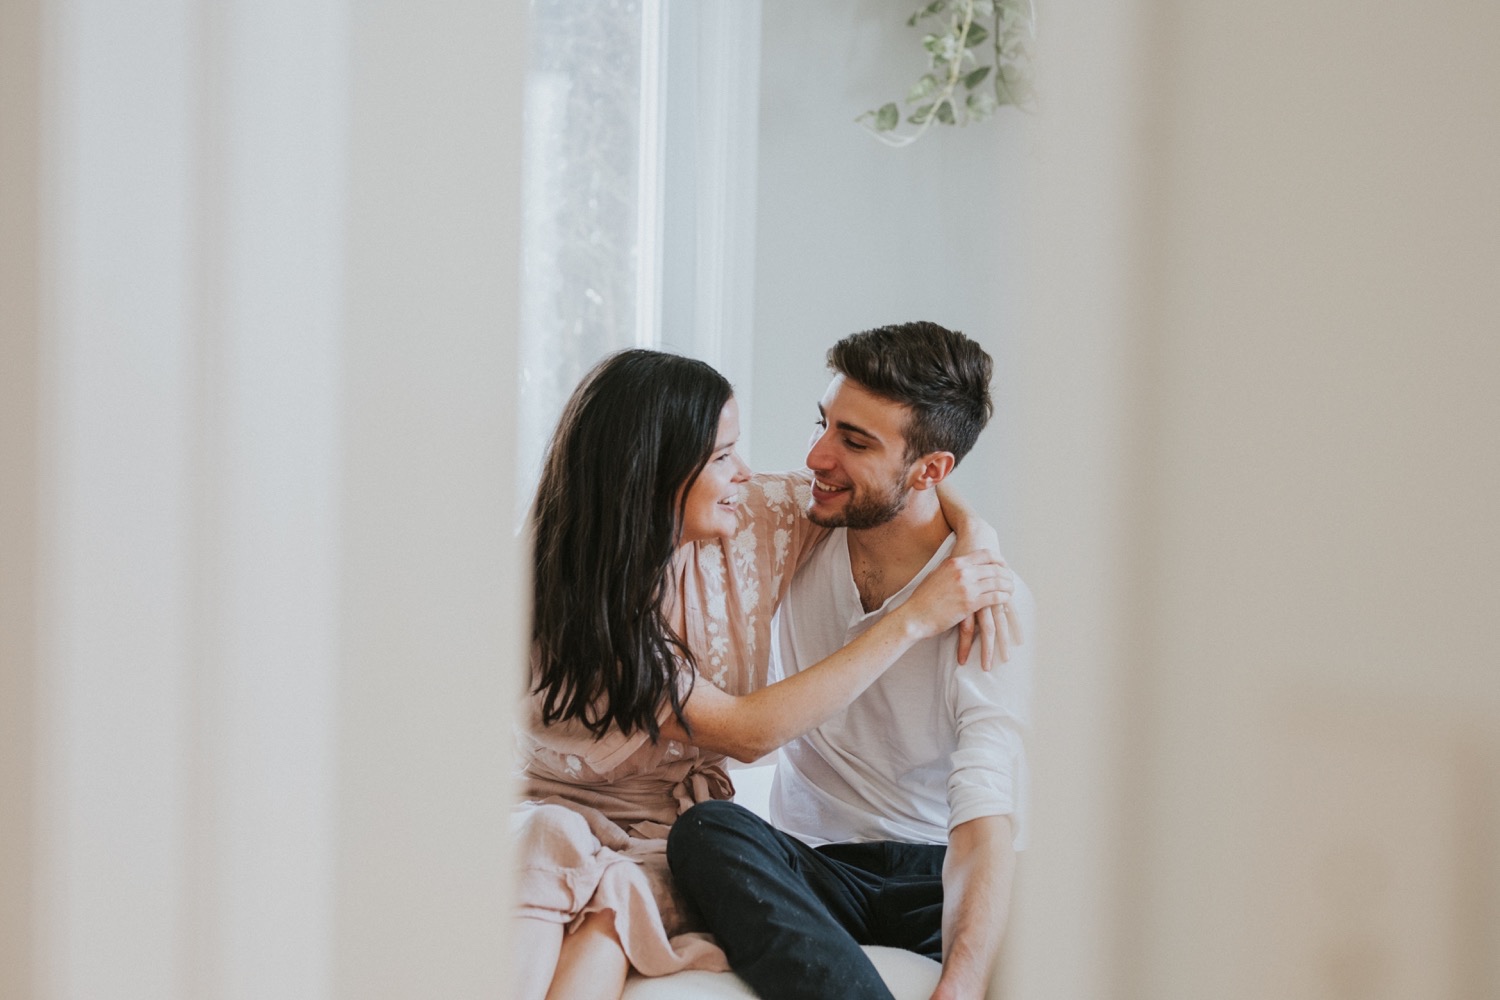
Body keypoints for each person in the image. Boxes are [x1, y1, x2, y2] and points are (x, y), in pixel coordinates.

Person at [513, 348, 1015, 1000]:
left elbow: (891, 477)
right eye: (722, 456)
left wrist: (977, 531)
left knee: (618, 906)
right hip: (575, 813)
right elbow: (745, 735)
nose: (748, 471)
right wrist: (916, 617)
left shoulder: (757, 517)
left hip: (676, 830)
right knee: (570, 846)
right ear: (652, 474)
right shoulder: (581, 590)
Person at [667, 322, 1034, 1000]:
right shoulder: (796, 532)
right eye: (825, 424)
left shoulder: (990, 597)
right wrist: (959, 550)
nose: (816, 455)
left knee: (1043, 890)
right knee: (706, 832)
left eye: (854, 441)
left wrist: (960, 986)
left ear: (931, 470)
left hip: (933, 871)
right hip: (813, 868)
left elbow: (986, 809)